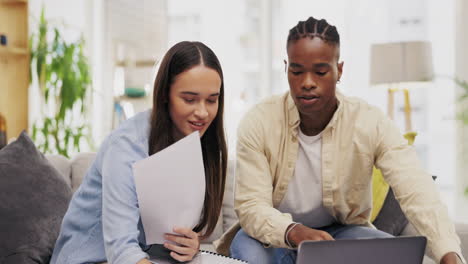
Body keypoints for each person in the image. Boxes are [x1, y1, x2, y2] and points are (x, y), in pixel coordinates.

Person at [214, 17, 465, 264]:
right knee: (250, 253)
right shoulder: (259, 121)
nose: (307, 83)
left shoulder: (369, 122)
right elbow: (252, 206)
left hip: (340, 232)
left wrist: (448, 253)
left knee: (391, 252)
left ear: (339, 70)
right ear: (286, 68)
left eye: (320, 71)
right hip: (272, 236)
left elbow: (416, 188)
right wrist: (294, 232)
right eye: (296, 71)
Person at [51, 41, 228, 264]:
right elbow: (121, 250)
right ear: (164, 94)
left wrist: (187, 244)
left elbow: (162, 229)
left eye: (212, 100)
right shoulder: (126, 146)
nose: (202, 112)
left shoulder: (195, 141)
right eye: (189, 99)